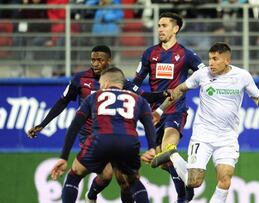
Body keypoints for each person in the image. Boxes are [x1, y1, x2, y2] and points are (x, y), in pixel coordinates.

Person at [27, 45, 168, 203]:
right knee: (107, 175)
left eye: (99, 60)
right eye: (93, 59)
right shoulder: (80, 79)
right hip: (90, 135)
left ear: (108, 61)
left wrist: (164, 94)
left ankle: (91, 195)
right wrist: (43, 124)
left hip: (114, 132)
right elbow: (62, 102)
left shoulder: (119, 80)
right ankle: (92, 195)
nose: (95, 63)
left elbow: (145, 96)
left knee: (124, 181)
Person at [152, 42, 259, 202]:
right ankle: (173, 155)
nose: (211, 63)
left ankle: (172, 155)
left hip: (227, 138)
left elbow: (257, 96)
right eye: (210, 59)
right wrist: (160, 110)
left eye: (215, 59)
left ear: (227, 61)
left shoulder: (242, 76)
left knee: (225, 179)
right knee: (193, 182)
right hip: (203, 136)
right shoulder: (202, 74)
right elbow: (180, 89)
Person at [50, 67, 157, 203]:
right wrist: (152, 147)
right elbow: (149, 124)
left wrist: (64, 157)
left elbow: (75, 126)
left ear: (105, 83)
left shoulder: (94, 96)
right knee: (132, 180)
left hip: (100, 140)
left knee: (74, 175)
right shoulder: (138, 100)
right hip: (128, 143)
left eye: (100, 84)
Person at [132, 12, 206, 202]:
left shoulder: (185, 54)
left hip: (176, 109)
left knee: (168, 147)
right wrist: (144, 97)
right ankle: (185, 189)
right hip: (154, 113)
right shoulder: (150, 53)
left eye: (164, 25)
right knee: (163, 161)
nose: (160, 29)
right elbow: (135, 84)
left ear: (176, 29)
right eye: (159, 25)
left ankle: (183, 195)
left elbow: (205, 75)